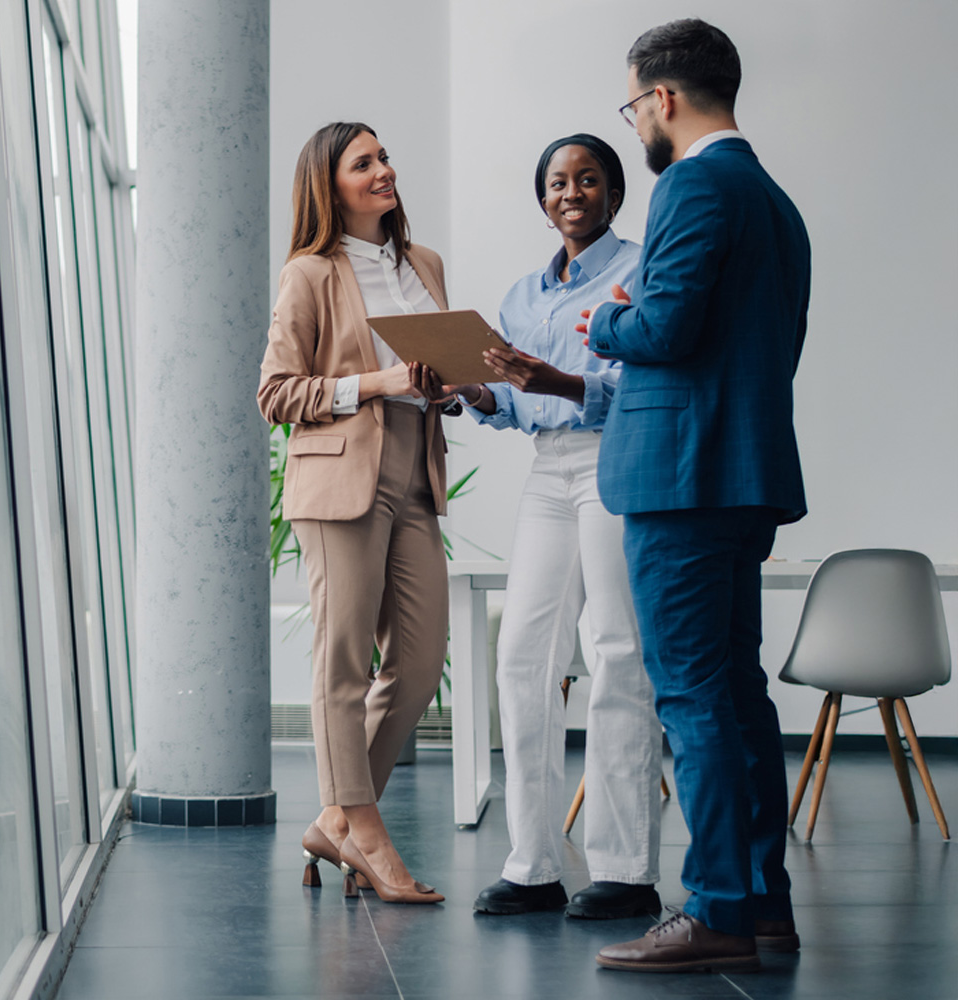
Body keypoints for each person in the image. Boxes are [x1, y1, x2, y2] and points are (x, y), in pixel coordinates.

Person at [580, 20, 811, 972]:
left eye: (633, 105)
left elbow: (666, 329)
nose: (635, 122)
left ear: (663, 99)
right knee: (734, 694)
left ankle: (716, 908)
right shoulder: (772, 197)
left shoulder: (694, 183)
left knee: (692, 698)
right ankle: (760, 904)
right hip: (737, 473)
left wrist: (607, 321)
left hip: (684, 477)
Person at [417, 134, 662, 919]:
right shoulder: (525, 295)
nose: (571, 192)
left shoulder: (641, 272)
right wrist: (477, 395)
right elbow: (521, 406)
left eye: (588, 179)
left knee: (618, 654)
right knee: (523, 657)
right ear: (543, 198)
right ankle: (533, 865)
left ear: (614, 195)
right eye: (557, 182)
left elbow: (642, 384)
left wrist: (555, 379)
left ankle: (625, 870)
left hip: (617, 462)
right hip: (549, 470)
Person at [258, 121, 454, 905]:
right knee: (343, 663)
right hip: (341, 477)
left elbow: (431, 373)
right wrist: (376, 383)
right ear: (328, 184)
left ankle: (335, 819)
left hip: (415, 471)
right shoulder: (309, 273)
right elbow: (276, 394)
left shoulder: (424, 265)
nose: (384, 170)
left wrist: (454, 385)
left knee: (418, 661)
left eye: (384, 158)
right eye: (363, 162)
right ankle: (363, 829)